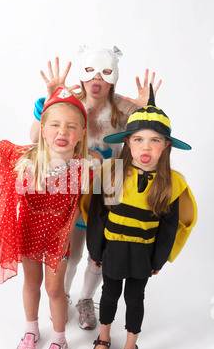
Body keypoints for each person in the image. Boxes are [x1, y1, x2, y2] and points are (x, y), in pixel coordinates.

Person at [30, 45, 162, 331]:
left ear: (114, 77)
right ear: (82, 75)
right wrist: (52, 97)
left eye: (105, 72)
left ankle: (86, 299)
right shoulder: (70, 101)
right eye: (90, 71)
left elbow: (148, 140)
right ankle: (62, 295)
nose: (97, 78)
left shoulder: (125, 107)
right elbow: (34, 137)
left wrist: (145, 110)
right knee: (72, 252)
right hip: (72, 183)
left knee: (99, 255)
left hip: (110, 181)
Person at [82, 85, 197, 349]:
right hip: (113, 251)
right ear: (128, 143)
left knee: (135, 299)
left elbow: (170, 227)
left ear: (165, 146)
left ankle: (130, 346)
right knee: (109, 295)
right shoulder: (110, 173)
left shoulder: (173, 185)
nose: (146, 148)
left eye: (154, 140)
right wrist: (96, 252)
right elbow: (97, 216)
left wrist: (158, 260)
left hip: (142, 255)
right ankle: (104, 337)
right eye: (138, 140)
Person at [0, 88, 98, 349]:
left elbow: (83, 206)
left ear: (82, 133)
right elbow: (4, 153)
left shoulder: (86, 167)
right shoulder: (27, 160)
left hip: (59, 239)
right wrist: (47, 102)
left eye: (71, 126)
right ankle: (31, 329)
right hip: (29, 234)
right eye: (55, 125)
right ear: (44, 131)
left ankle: (59, 339)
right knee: (31, 284)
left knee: (54, 289)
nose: (63, 131)